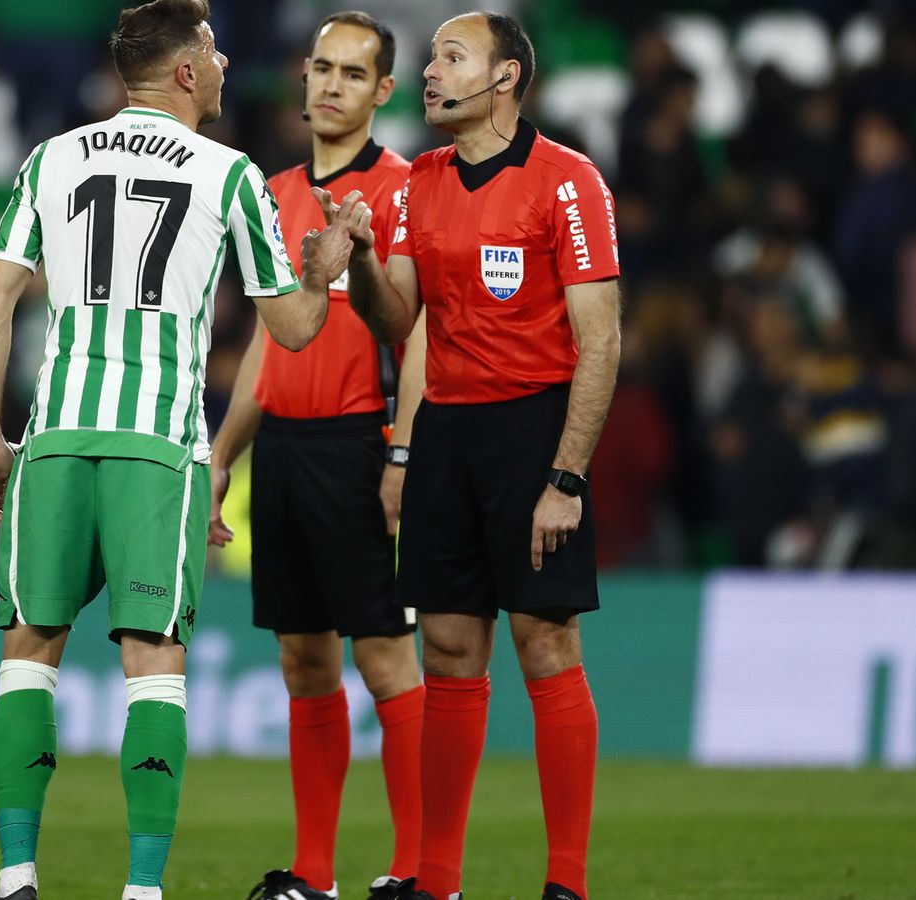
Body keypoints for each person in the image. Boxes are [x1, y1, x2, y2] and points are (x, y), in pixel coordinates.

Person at [0, 2, 354, 898]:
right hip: (156, 447)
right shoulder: (229, 174)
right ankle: (142, 892)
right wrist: (325, 266)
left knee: (29, 651)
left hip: (56, 436)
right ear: (185, 72)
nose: (221, 65)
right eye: (212, 51)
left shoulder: (50, 158)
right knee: (152, 664)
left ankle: (18, 878)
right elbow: (292, 329)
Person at [332, 13, 621, 900]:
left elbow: (601, 342)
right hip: (448, 435)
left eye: (450, 57)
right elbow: (398, 324)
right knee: (452, 651)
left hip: (534, 430)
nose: (428, 72)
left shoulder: (567, 183)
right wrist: (368, 261)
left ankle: (566, 884)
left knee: (545, 644)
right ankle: (439, 881)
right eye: (429, 58)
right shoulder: (419, 181)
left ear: (505, 78)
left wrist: (566, 479)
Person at [208, 12, 424, 900]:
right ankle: (315, 875)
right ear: (303, 78)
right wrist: (224, 452)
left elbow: (420, 336)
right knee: (304, 660)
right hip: (286, 451)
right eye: (322, 69)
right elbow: (270, 337)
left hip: (360, 440)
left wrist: (402, 454)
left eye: (353, 73)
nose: (331, 85)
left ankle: (417, 870)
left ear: (383, 91)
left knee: (383, 659)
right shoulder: (270, 190)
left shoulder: (407, 189)